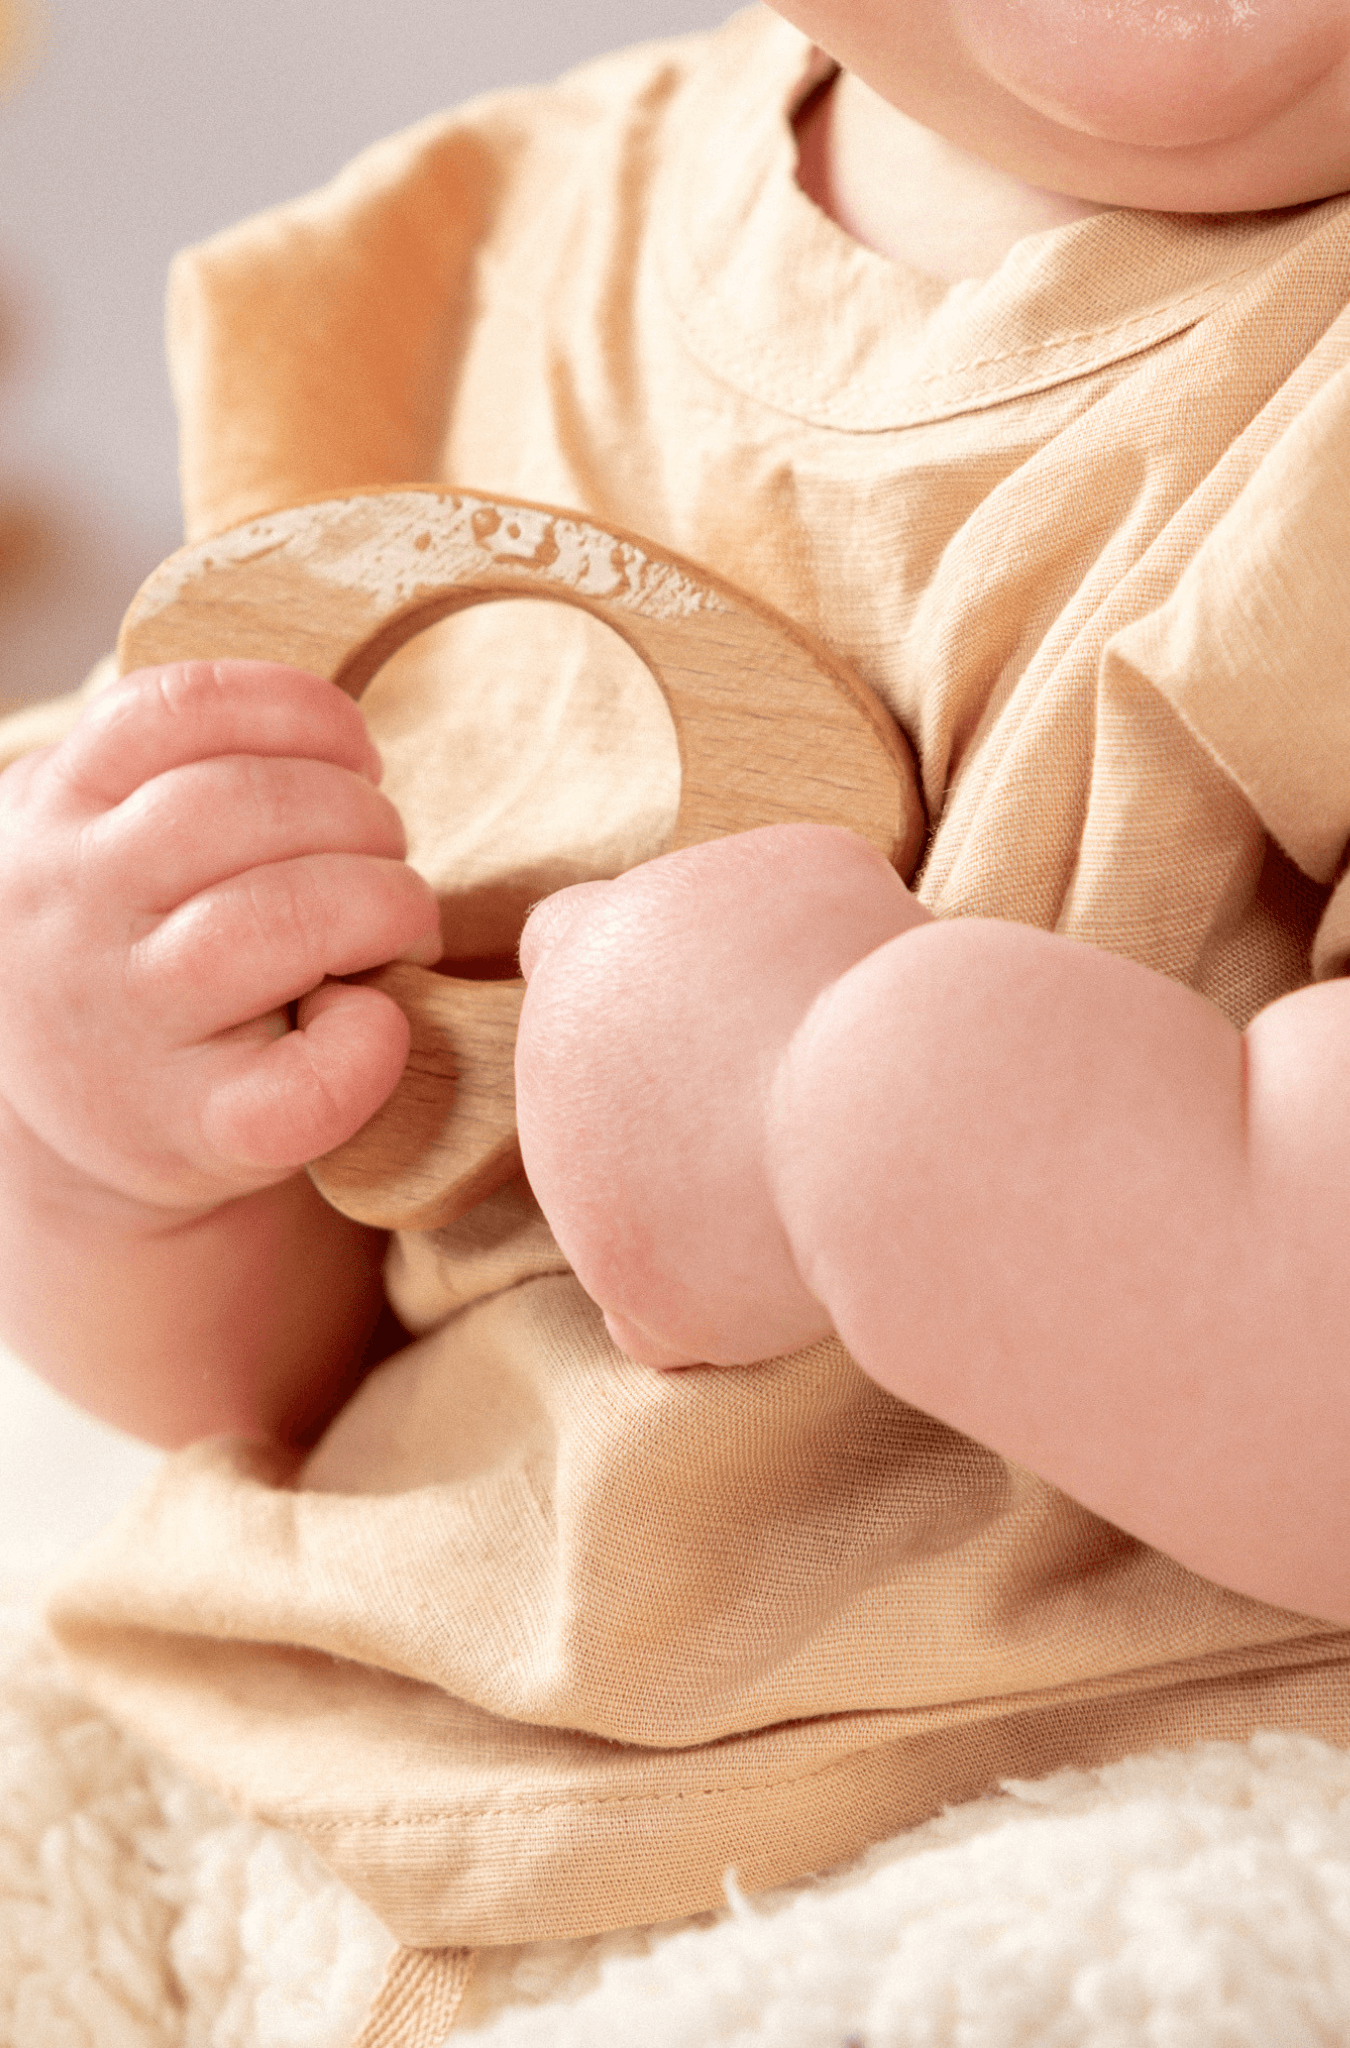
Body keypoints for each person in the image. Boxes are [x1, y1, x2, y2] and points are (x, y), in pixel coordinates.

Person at [5, 0, 1350, 1953]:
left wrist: (842, 1096)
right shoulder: (470, 262)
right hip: (317, 1768)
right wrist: (111, 1130)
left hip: (1099, 1798)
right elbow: (280, 1367)